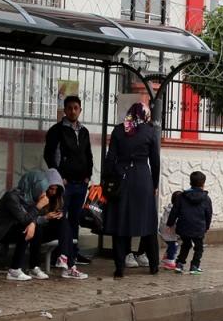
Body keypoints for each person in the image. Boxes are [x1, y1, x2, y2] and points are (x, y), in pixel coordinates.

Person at [0, 169, 88, 280]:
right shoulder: (12, 197)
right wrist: (38, 209)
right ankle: (14, 270)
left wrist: (42, 218)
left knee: (61, 222)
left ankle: (61, 262)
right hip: (0, 233)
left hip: (20, 227)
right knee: (26, 228)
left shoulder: (31, 197)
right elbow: (24, 219)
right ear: (32, 185)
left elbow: (30, 219)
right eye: (43, 189)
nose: (44, 193)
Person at [103, 102, 160, 278]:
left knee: (120, 223)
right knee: (148, 223)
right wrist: (155, 184)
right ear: (144, 115)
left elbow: (110, 158)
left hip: (122, 179)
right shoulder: (149, 132)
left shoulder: (119, 131)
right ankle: (153, 265)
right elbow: (155, 161)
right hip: (143, 179)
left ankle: (120, 267)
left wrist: (108, 180)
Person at [43, 95, 94, 269]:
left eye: (76, 108)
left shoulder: (84, 131)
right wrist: (59, 177)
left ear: (80, 110)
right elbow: (49, 155)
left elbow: (88, 154)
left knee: (75, 219)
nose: (73, 111)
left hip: (81, 183)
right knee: (60, 218)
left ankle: (73, 251)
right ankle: (60, 254)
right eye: (70, 108)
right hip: (64, 185)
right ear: (64, 110)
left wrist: (88, 174)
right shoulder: (56, 130)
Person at [167, 171, 213, 275]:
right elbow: (208, 214)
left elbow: (175, 211)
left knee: (186, 245)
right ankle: (194, 266)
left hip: (184, 227)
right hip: (198, 227)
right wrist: (207, 226)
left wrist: (170, 224)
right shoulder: (206, 198)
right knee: (199, 248)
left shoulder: (181, 196)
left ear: (190, 182)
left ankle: (179, 264)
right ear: (203, 184)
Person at [160, 191, 183, 270]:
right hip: (169, 233)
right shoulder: (174, 210)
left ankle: (167, 257)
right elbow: (173, 222)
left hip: (167, 232)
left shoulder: (169, 208)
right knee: (174, 245)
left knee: (174, 244)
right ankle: (170, 261)